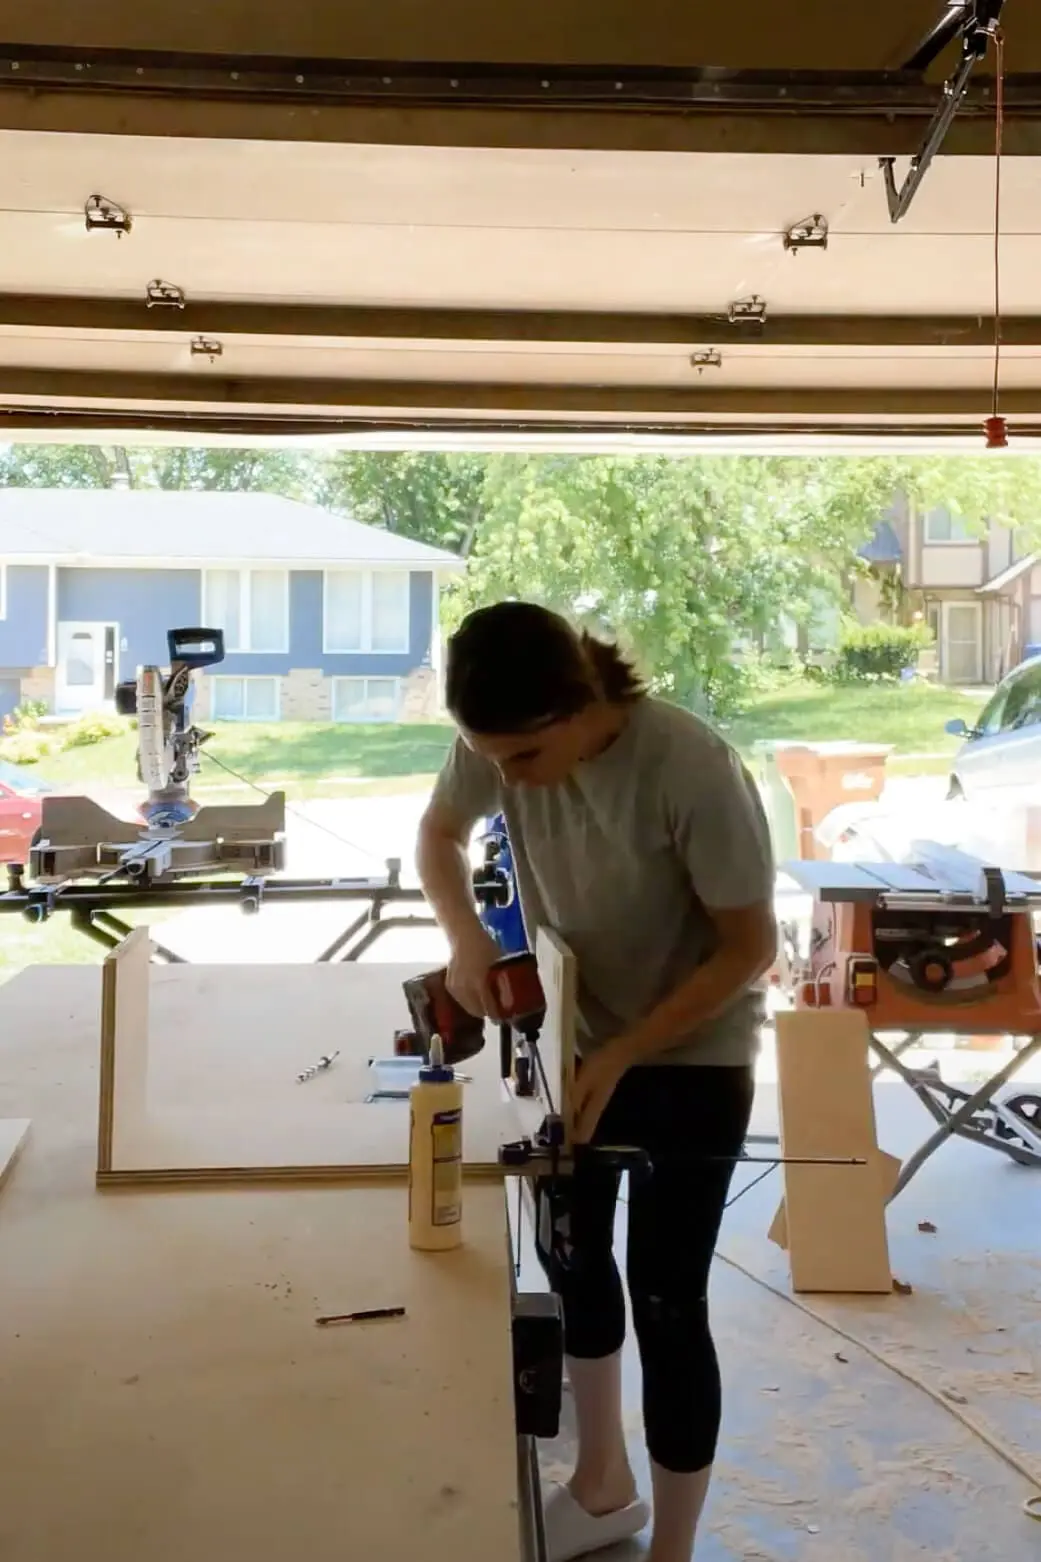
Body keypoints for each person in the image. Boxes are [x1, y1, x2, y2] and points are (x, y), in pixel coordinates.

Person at [416, 601, 776, 1562]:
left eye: (522, 762)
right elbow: (439, 835)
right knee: (575, 1264)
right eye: (486, 759)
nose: (504, 781)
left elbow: (750, 947)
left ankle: (676, 1548)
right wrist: (467, 940)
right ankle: (603, 1483)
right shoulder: (501, 739)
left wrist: (625, 1052)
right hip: (568, 1040)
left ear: (576, 709)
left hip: (692, 1056)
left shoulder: (686, 767)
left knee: (668, 1299)